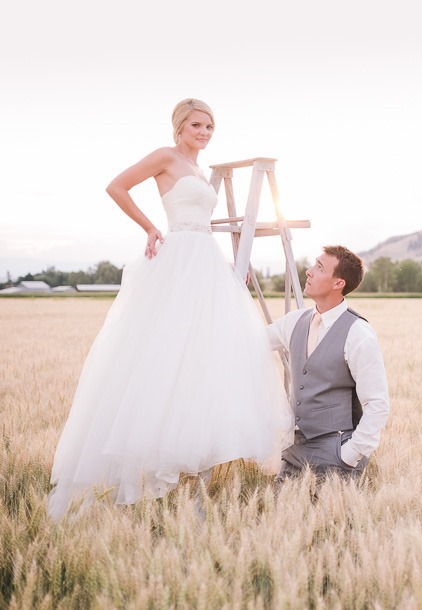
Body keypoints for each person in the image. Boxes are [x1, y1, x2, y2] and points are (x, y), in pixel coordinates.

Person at [47, 99, 293, 519]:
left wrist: (237, 263)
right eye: (197, 124)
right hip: (177, 258)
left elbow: (206, 222)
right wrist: (149, 227)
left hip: (207, 263)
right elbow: (116, 186)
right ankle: (151, 466)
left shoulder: (199, 170)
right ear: (180, 127)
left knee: (206, 358)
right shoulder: (166, 157)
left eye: (210, 125)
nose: (204, 131)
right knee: (164, 353)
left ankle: (193, 471)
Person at [267, 246, 390, 480]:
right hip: (292, 451)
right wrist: (231, 287)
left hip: (335, 451)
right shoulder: (295, 321)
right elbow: (250, 343)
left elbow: (377, 403)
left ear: (338, 283)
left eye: (319, 268)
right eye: (314, 264)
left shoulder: (358, 333)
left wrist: (349, 454)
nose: (309, 272)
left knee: (333, 517)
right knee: (277, 512)